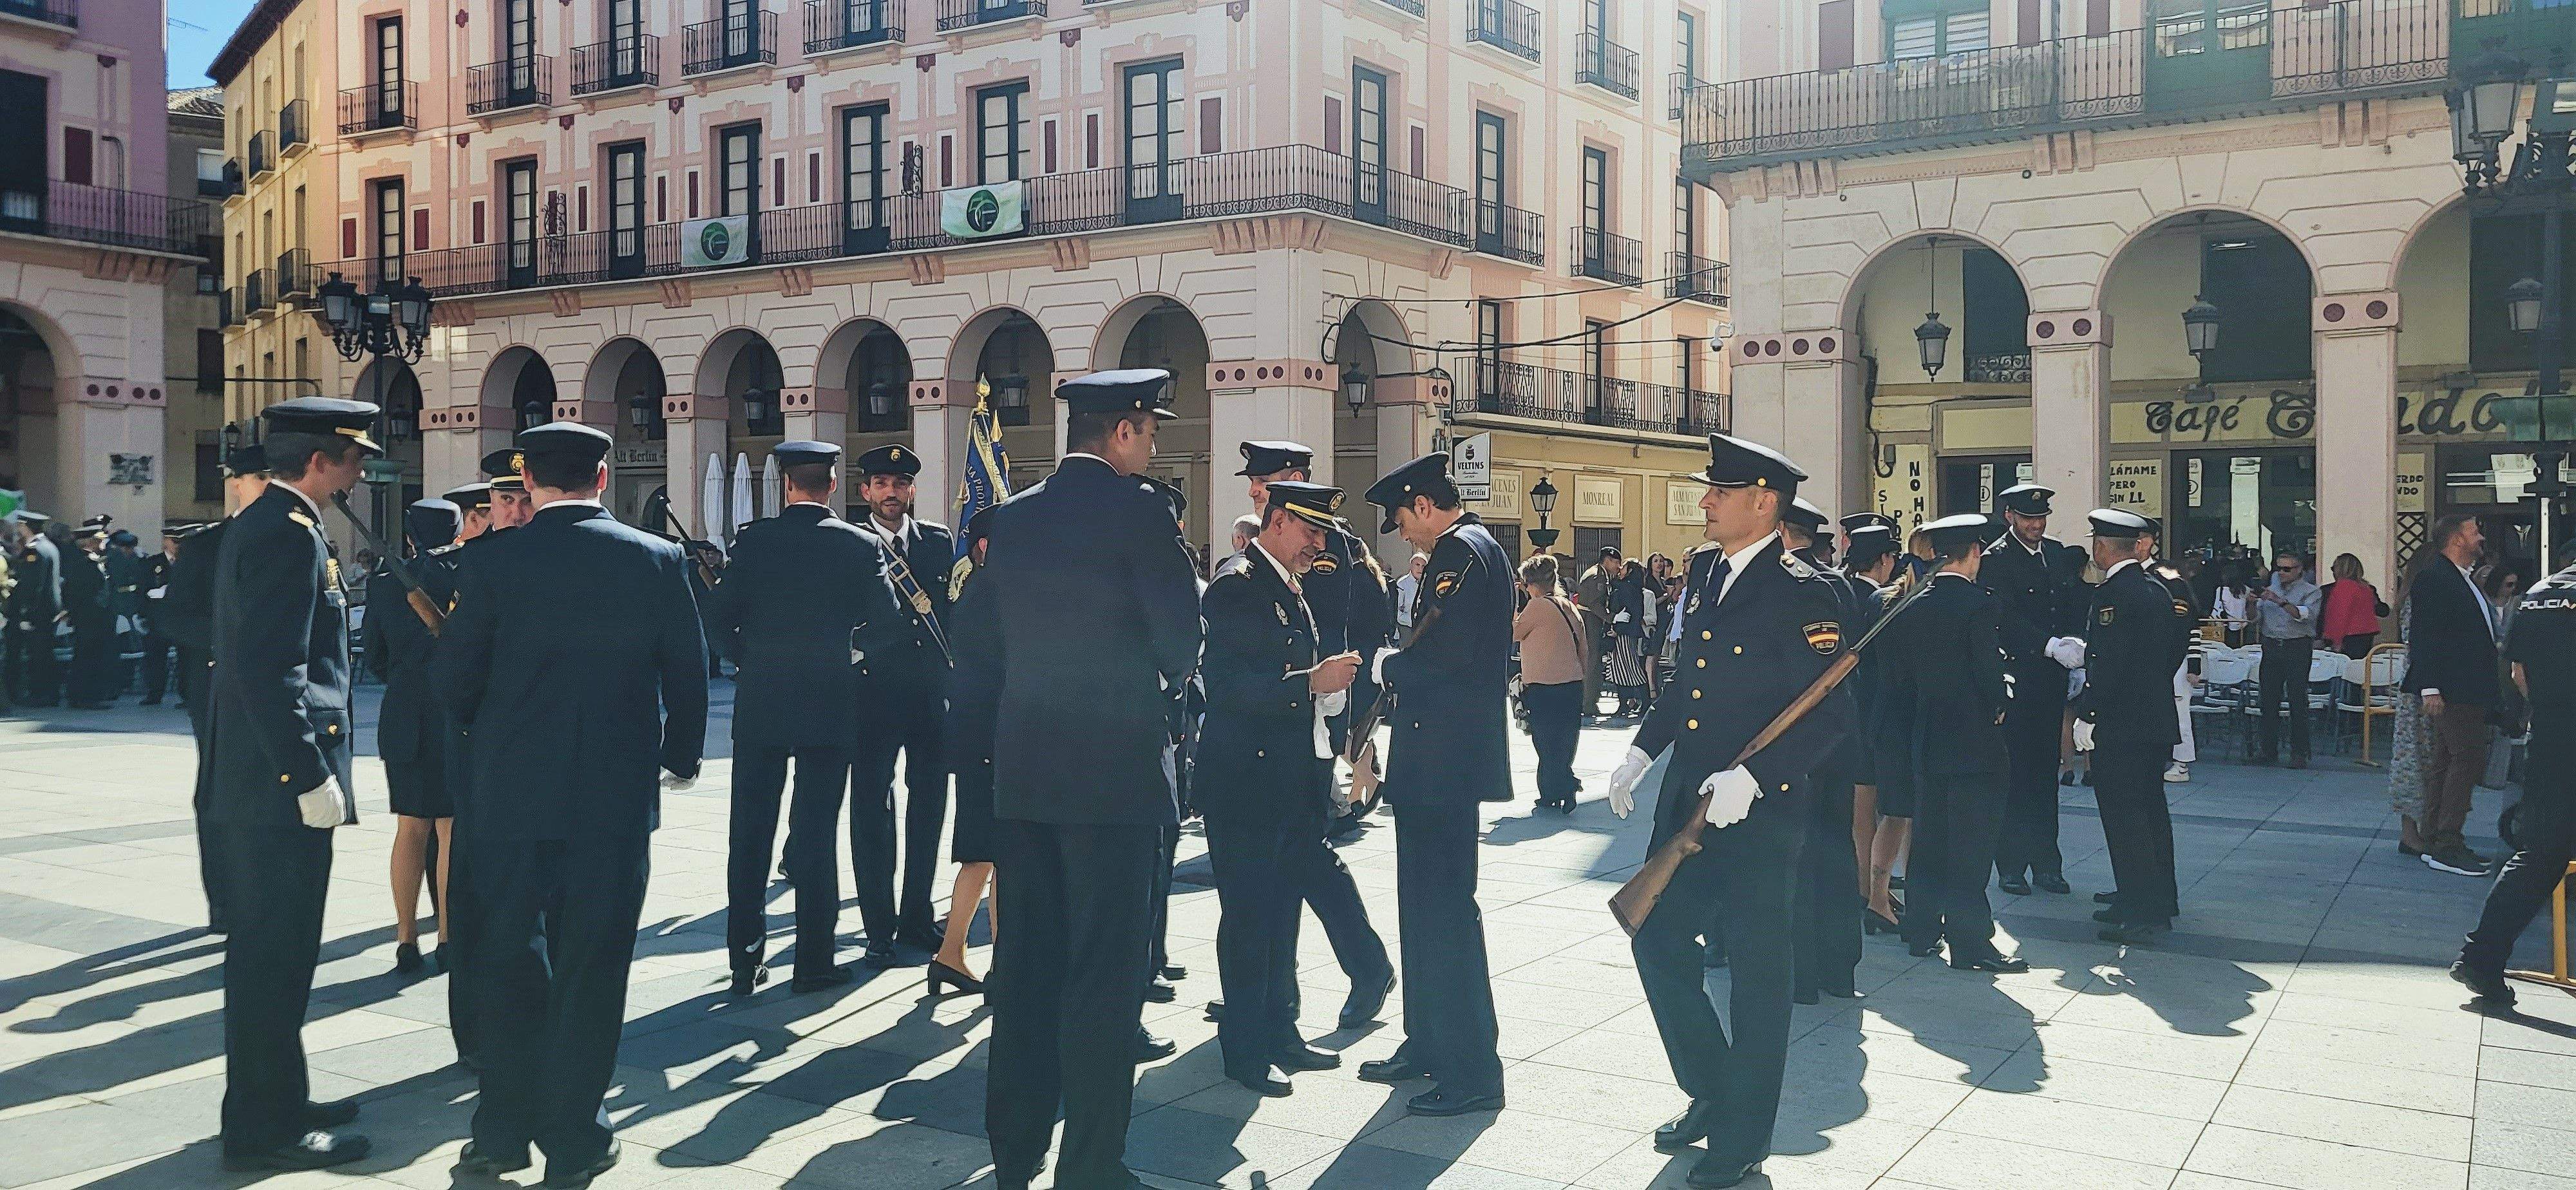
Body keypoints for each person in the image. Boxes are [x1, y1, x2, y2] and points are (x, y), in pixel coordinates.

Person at [436, 422, 708, 1187]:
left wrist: (487, 741)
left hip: (511, 795)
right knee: (594, 968)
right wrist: (678, 759)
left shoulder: (492, 561)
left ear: (530, 479)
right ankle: (576, 1137)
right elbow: (689, 672)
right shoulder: (656, 558)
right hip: (611, 799)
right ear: (602, 473)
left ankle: (499, 1133)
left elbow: (454, 678)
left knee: (507, 960)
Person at [1600, 433, 1850, 1189]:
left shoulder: (1811, 591)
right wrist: (1643, 752)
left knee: (1757, 974)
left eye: (1719, 491)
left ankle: (1742, 1141)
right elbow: (1687, 685)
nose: (1703, 501)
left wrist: (1761, 777)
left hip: (1760, 815)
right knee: (1657, 942)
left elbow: (1833, 715)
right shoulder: (1707, 569)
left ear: (1763, 502)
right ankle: (1712, 1087)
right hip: (1689, 807)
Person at [980, 369, 1200, 1190]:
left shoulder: (1013, 517)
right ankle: (1089, 1165)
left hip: (1026, 775)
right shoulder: (1142, 512)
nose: (1153, 447)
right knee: (1103, 978)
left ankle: (1013, 1154)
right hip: (1111, 782)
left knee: (1027, 969)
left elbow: (981, 652)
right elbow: (1181, 643)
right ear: (1124, 432)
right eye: (1150, 431)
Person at [206, 397, 382, 1171]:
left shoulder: (280, 525)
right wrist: (306, 773)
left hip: (257, 785)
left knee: (277, 960)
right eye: (354, 458)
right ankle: (263, 1131)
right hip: (275, 790)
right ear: (318, 461)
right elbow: (269, 670)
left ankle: (277, 1097)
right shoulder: (284, 534)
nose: (361, 470)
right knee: (274, 960)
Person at [706, 441, 907, 996]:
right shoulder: (860, 545)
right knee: (816, 831)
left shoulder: (754, 542)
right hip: (829, 700)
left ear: (786, 484)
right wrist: (851, 652)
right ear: (835, 484)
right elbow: (888, 626)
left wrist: (746, 659)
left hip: (763, 702)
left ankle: (745, 958)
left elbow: (718, 617)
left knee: (750, 834)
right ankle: (814, 961)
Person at [1352, 450, 1512, 1117]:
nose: (1402, 532)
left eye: (1401, 519)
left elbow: (1444, 660)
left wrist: (1388, 667)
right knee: (1421, 909)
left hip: (1445, 760)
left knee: (1444, 913)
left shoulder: (1461, 553)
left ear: (1424, 505)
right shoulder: (1470, 549)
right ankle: (1427, 1042)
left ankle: (1473, 1069)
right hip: (1436, 759)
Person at [1196, 480, 1362, 1095]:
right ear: (1279, 520)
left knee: (1283, 911)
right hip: (1243, 781)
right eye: (1311, 531)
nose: (1317, 546)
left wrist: (1327, 698)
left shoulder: (1290, 588)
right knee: (1248, 917)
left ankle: (1281, 1030)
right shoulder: (1237, 586)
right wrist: (1309, 684)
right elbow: (1230, 686)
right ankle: (1244, 1047)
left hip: (1289, 779)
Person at [1235, 441, 1397, 1023]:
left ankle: (1363, 968)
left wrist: (1345, 721)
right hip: (1284, 718)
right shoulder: (1269, 546)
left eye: (1266, 480)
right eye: (1253, 481)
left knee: (1303, 851)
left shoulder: (1325, 548)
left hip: (1313, 720)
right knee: (1292, 854)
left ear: (1296, 480)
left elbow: (1332, 636)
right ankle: (1273, 989)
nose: (1254, 490)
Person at [1885, 515, 2027, 972]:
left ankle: (1922, 930)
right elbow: (1987, 671)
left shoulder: (1913, 603)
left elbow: (1902, 679)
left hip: (1928, 735)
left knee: (1929, 839)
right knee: (1971, 846)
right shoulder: (1977, 605)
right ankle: (1970, 943)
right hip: (1973, 741)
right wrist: (1999, 705)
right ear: (1973, 554)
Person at [847, 443, 957, 962]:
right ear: (864, 491)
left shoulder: (937, 543)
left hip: (929, 697)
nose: (891, 492)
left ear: (912, 490)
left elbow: (952, 616)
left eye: (901, 483)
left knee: (930, 806)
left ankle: (917, 913)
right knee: (873, 808)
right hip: (871, 696)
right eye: (881, 483)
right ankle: (877, 926)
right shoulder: (850, 544)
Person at [2452, 555, 2576, 1012]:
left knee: (2540, 854)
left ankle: (2481, 957)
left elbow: (2518, 673)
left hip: (2552, 738)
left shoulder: (2541, 594)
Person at [159, 445, 269, 936]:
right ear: (237, 483)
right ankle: (224, 900)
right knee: (220, 793)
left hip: (277, 690)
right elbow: (171, 617)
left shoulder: (300, 541)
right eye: (259, 476)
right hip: (215, 687)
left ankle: (264, 894)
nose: (267, 485)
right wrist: (229, 640)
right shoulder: (206, 546)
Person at [2070, 509, 2190, 945]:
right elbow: (2172, 651)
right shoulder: (2157, 587)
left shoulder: (2115, 594)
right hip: (2152, 717)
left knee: (2126, 818)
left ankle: (2143, 909)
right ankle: (2153, 895)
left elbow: (2109, 662)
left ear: (2104, 548)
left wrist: (2090, 713)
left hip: (2122, 724)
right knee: (2149, 813)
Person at [366, 498, 462, 977]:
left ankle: (406, 938)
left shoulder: (386, 583)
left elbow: (375, 657)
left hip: (404, 713)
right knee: (449, 831)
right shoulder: (468, 576)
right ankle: (447, 935)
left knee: (410, 828)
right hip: (454, 714)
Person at [1980, 482, 2087, 897]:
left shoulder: (2058, 556)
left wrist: (2077, 644)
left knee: (2046, 772)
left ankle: (2047, 863)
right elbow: (2001, 615)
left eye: (2041, 518)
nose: (2036, 526)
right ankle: (2010, 865)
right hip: (2017, 677)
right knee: (2014, 774)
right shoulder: (1995, 561)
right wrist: (2046, 645)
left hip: (2053, 678)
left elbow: (2074, 603)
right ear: (2010, 517)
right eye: (2028, 518)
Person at [1779, 496, 1864, 1001]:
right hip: (1838, 740)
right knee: (1836, 851)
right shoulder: (1842, 585)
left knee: (1800, 855)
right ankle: (1839, 969)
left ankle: (1804, 972)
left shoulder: (1798, 588)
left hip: (1800, 744)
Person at [2400, 514, 2501, 877]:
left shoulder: (2461, 578)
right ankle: (2447, 841)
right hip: (2455, 687)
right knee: (2465, 761)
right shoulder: (2436, 577)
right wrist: (2430, 687)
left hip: (2466, 685)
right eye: (2475, 531)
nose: (2480, 537)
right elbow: (2426, 634)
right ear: (2458, 536)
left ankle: (2434, 838)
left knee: (2446, 762)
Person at [932, 507, 1005, 997]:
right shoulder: (986, 597)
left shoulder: (986, 593)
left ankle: (991, 956)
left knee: (997, 854)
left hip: (986, 737)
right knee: (984, 852)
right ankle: (952, 953)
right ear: (982, 548)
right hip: (986, 738)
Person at [1839, 524, 1906, 932]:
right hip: (1874, 715)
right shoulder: (1877, 601)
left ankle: (1868, 888)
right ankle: (1872, 893)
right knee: (1876, 810)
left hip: (1850, 715)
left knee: (1862, 810)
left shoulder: (1842, 591)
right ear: (1883, 561)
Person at [1514, 553, 1587, 812]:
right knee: (1565, 739)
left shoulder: (1536, 607)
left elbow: (1513, 632)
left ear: (1530, 584)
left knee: (1545, 740)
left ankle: (1563, 787)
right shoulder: (1568, 606)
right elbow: (1583, 645)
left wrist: (1515, 601)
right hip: (1572, 682)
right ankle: (1555, 790)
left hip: (1543, 684)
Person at [2249, 551, 2324, 767]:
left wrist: (2280, 602)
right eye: (2278, 568)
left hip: (2297, 646)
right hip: (2271, 645)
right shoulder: (2269, 591)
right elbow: (2254, 620)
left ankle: (2300, 753)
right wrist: (2251, 603)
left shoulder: (2312, 592)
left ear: (2299, 570)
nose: (2281, 573)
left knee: (2297, 700)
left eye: (2286, 569)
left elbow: (2304, 616)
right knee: (2268, 699)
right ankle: (2268, 751)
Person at [5, 509, 61, 706]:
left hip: (36, 612)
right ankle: (49, 694)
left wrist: (25, 614)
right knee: (45, 652)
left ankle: (41, 695)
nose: (18, 529)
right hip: (48, 610)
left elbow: (33, 587)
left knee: (38, 654)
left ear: (26, 527)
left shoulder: (35, 551)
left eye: (20, 526)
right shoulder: (48, 546)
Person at [61, 518, 115, 708]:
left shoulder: (92, 561)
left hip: (95, 618)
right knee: (86, 657)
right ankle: (84, 697)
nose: (103, 544)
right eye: (99, 540)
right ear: (89, 542)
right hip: (88, 618)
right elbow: (78, 593)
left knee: (93, 656)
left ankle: (90, 695)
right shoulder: (81, 563)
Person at [137, 525, 183, 705]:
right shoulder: (152, 563)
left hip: (180, 618)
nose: (178, 546)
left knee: (184, 659)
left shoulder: (186, 562)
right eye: (175, 542)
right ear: (166, 542)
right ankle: (154, 693)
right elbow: (142, 589)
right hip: (158, 617)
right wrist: (142, 614)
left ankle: (185, 695)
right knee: (155, 658)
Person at [1577, 545, 1622, 718]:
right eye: (1616, 562)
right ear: (1607, 560)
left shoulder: (1600, 574)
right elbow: (1595, 603)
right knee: (1591, 664)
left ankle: (1589, 703)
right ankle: (1588, 704)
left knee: (1594, 664)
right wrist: (1611, 618)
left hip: (1593, 622)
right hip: (1590, 623)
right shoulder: (1597, 576)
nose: (1618, 566)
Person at [2319, 552, 2388, 658]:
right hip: (2366, 635)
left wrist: (2337, 641)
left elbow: (2340, 615)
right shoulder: (2366, 588)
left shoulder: (2344, 586)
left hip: (2348, 636)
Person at [1394, 551, 1426, 630]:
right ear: (1411, 566)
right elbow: (1397, 612)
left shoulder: (1428, 584)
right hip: (1405, 628)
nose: (1420, 569)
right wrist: (1415, 621)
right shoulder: (1402, 584)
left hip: (1424, 628)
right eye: (1417, 565)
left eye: (1423, 566)